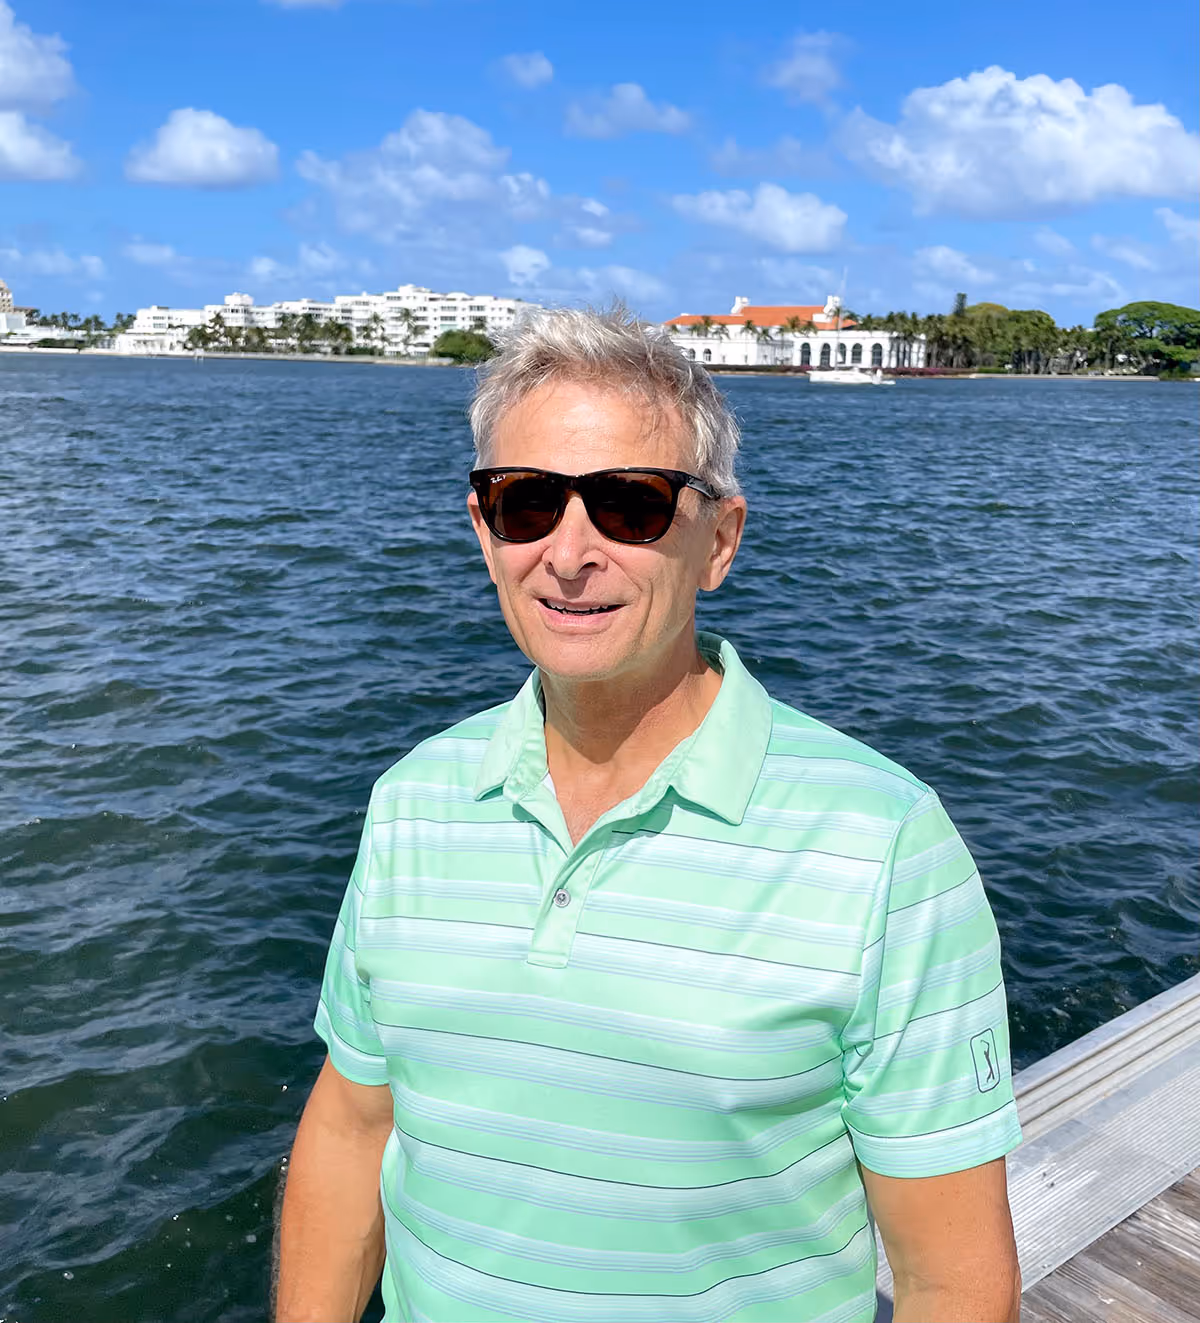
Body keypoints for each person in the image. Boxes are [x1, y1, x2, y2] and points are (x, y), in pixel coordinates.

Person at [275, 307, 1023, 1323]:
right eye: (526, 501)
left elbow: (953, 1282)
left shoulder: (885, 844)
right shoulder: (412, 801)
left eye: (630, 505)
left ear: (719, 540)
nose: (568, 554)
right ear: (483, 530)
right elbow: (356, 1124)